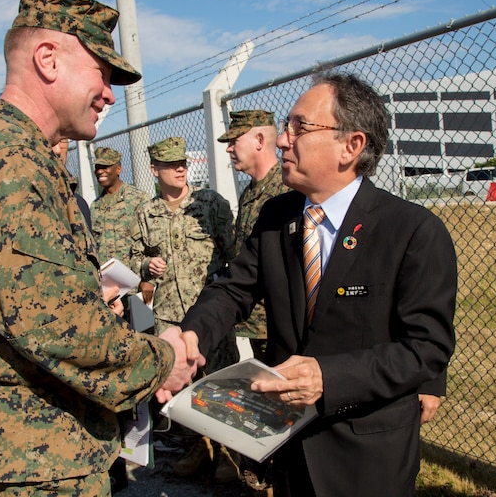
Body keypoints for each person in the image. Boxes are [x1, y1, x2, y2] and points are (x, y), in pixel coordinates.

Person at [0, 0, 201, 497]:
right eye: (102, 74)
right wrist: (162, 359)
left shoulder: (11, 153)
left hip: (26, 452)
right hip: (23, 460)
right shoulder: (6, 162)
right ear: (47, 59)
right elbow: (57, 324)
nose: (109, 95)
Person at [173, 71, 457, 497]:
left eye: (299, 127)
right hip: (288, 446)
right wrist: (191, 334)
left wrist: (328, 376)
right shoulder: (277, 217)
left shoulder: (413, 231)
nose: (283, 140)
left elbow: (426, 349)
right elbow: (233, 289)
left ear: (351, 146)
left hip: (366, 453)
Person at [129, 136, 241, 483]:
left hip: (210, 315)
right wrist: (147, 266)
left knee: (221, 382)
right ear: (154, 169)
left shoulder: (210, 204)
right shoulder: (146, 213)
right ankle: (199, 447)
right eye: (170, 164)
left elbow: (235, 254)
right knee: (182, 390)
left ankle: (227, 453)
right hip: (169, 318)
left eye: (182, 163)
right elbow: (131, 261)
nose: (180, 168)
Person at [219, 109, 288, 362]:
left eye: (234, 141)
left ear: (259, 141)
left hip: (280, 325)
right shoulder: (249, 192)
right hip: (257, 323)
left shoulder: (286, 189)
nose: (229, 149)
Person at [90, 146, 149, 267]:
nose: (100, 171)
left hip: (132, 277)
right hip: (106, 279)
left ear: (118, 169)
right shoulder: (95, 206)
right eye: (97, 168)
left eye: (105, 167)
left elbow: (150, 242)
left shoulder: (138, 199)